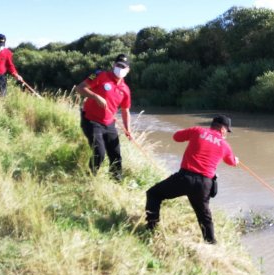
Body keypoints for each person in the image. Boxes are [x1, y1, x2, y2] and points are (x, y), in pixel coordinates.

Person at [145, 115, 239, 244]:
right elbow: (231, 162)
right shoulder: (225, 145)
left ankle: (151, 229)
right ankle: (211, 244)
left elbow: (176, 137)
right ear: (223, 129)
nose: (226, 134)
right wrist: (236, 160)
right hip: (204, 184)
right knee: (204, 217)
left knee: (153, 194)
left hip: (185, 178)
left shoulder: (198, 131)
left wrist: (191, 136)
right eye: (227, 131)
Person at [75, 54, 133, 181]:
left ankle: (117, 181)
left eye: (123, 67)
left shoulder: (125, 90)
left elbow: (125, 111)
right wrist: (96, 96)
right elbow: (80, 88)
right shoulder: (99, 75)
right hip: (91, 120)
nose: (120, 68)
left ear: (128, 70)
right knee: (99, 153)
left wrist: (128, 130)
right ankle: (89, 178)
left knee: (116, 155)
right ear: (113, 65)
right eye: (118, 65)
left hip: (109, 123)